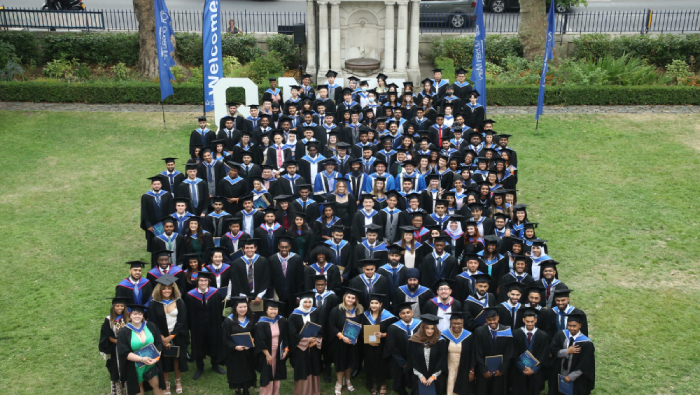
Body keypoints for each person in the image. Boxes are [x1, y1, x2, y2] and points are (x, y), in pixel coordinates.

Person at [147, 274, 189, 395]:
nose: (166, 291)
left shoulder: (179, 302)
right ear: (159, 289)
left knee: (177, 358)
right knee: (164, 359)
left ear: (173, 289)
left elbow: (182, 321)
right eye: (164, 288)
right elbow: (152, 322)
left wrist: (171, 337)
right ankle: (166, 383)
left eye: (169, 288)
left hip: (177, 335)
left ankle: (178, 381)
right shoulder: (154, 303)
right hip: (160, 337)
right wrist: (162, 338)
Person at [116, 303, 166, 395]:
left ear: (143, 315)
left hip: (152, 362)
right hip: (135, 365)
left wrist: (156, 359)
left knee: (157, 384)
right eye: (135, 314)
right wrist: (142, 359)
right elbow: (124, 352)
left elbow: (158, 343)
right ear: (130, 315)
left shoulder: (151, 326)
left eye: (140, 314)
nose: (137, 316)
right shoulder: (124, 332)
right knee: (138, 388)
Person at [184, 271, 226, 380]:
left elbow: (219, 310)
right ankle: (200, 366)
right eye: (201, 280)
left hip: (213, 324)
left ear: (209, 282)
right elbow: (188, 313)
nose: (203, 283)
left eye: (206, 280)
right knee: (198, 344)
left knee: (214, 342)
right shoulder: (190, 295)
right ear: (197, 281)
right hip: (197, 325)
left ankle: (215, 364)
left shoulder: (215, 293)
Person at [549, 312, 595, 395]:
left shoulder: (587, 344)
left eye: (574, 326)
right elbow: (553, 350)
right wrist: (567, 351)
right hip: (559, 373)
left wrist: (571, 377)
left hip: (576, 378)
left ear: (580, 326)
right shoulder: (560, 335)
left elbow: (586, 364)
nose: (571, 328)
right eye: (569, 325)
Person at [329, 287, 364, 395]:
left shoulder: (359, 311)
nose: (350, 299)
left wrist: (357, 335)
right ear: (345, 297)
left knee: (349, 362)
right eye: (348, 297)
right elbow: (332, 326)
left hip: (353, 343)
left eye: (353, 298)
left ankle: (348, 381)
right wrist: (342, 337)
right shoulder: (337, 310)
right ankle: (339, 383)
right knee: (341, 363)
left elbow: (361, 326)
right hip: (340, 342)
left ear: (356, 299)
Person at [288, 291, 323, 395]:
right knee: (303, 370)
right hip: (300, 348)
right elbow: (292, 334)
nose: (308, 304)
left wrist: (315, 341)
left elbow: (320, 328)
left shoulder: (315, 312)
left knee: (314, 367)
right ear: (300, 302)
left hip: (313, 347)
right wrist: (307, 340)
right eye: (305, 302)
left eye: (310, 302)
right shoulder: (293, 316)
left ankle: (315, 391)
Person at [361, 293, 397, 395]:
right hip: (369, 345)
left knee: (382, 364)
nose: (374, 305)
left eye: (376, 303)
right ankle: (372, 384)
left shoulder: (388, 317)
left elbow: (393, 332)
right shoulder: (365, 315)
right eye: (372, 303)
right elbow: (361, 331)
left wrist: (383, 335)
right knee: (370, 363)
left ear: (380, 304)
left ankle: (383, 383)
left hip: (383, 345)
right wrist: (368, 340)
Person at [474, 307, 514, 395]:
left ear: (498, 317)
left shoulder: (506, 330)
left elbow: (509, 352)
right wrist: (483, 370)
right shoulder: (479, 331)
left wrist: (502, 370)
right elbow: (478, 351)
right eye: (489, 320)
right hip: (484, 372)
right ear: (485, 319)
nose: (492, 322)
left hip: (500, 371)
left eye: (494, 319)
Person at [511, 307, 549, 395]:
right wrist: (523, 368)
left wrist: (534, 369)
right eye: (527, 321)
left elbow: (543, 355)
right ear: (523, 320)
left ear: (536, 320)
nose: (530, 324)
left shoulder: (543, 335)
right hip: (520, 371)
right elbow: (514, 353)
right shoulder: (516, 334)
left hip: (535, 372)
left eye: (532, 321)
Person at [222, 297, 257, 395]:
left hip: (248, 351)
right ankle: (237, 390)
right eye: (240, 307)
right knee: (236, 372)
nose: (243, 309)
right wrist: (234, 347)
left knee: (248, 370)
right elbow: (225, 338)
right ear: (235, 308)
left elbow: (255, 334)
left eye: (245, 307)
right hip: (235, 353)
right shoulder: (228, 321)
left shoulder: (251, 318)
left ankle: (246, 389)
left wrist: (252, 342)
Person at [407, 314, 448, 395]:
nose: (430, 331)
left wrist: (433, 376)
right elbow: (412, 359)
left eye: (432, 328)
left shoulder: (441, 341)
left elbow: (442, 360)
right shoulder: (414, 341)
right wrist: (421, 376)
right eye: (427, 328)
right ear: (423, 328)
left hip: (436, 377)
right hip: (419, 376)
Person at [255, 299, 290, 395]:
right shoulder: (261, 323)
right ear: (266, 310)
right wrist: (267, 355)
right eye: (271, 309)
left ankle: (275, 393)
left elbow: (285, 336)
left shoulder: (281, 320)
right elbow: (260, 340)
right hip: (267, 353)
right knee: (267, 374)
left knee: (277, 373)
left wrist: (286, 349)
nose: (273, 311)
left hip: (279, 352)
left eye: (275, 309)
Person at [99, 297, 129, 395]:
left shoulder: (129, 318)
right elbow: (109, 337)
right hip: (116, 350)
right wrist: (122, 344)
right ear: (113, 307)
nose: (119, 308)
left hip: (130, 348)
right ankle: (118, 392)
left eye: (122, 306)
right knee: (117, 370)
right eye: (117, 306)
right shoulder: (109, 320)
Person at [269, 235, 306, 316]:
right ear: (278, 247)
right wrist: (271, 295)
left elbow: (300, 279)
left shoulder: (297, 259)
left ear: (290, 247)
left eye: (286, 247)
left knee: (292, 315)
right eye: (282, 247)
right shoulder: (272, 259)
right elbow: (270, 279)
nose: (284, 249)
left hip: (293, 294)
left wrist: (298, 296)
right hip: (278, 294)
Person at [230, 238, 272, 309]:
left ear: (255, 248)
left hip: (260, 296)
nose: (249, 250)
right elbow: (235, 281)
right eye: (247, 248)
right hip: (243, 296)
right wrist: (243, 296)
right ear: (244, 249)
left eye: (251, 248)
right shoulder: (236, 263)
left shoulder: (263, 261)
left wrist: (259, 296)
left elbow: (266, 279)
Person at [441, 313, 476, 395]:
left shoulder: (469, 336)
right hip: (448, 368)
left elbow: (473, 355)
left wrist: (471, 371)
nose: (456, 326)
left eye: (459, 323)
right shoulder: (444, 335)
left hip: (464, 368)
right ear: (450, 323)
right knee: (449, 388)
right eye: (454, 323)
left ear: (463, 323)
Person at [141, 175, 175, 252]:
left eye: (158, 184)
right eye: (155, 184)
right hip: (152, 225)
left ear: (161, 185)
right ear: (151, 185)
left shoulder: (167, 194)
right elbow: (144, 212)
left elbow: (171, 209)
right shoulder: (146, 196)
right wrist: (148, 225)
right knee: (154, 244)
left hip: (165, 224)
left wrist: (169, 222)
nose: (156, 186)